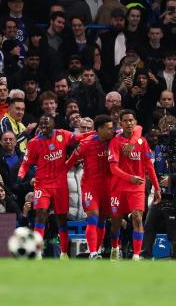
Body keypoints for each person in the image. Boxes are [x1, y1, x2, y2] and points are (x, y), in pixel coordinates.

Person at [17, 115, 93, 259]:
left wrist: (94, 133)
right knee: (40, 215)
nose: (44, 127)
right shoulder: (34, 143)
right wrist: (21, 174)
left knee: (61, 219)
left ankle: (64, 252)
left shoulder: (62, 135)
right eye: (42, 124)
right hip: (42, 185)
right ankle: (37, 251)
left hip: (60, 185)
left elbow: (78, 137)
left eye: (47, 124)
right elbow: (26, 163)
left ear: (54, 125)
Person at [107, 110, 161, 261]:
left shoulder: (142, 141)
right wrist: (131, 178)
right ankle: (114, 247)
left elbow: (149, 166)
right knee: (116, 223)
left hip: (137, 187)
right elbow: (113, 169)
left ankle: (137, 255)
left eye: (131, 120)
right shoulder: (115, 142)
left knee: (137, 218)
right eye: (126, 121)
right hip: (118, 187)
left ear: (135, 122)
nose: (129, 123)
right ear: (121, 123)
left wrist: (157, 187)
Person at [64, 114, 115, 259]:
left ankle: (97, 250)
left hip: (108, 188)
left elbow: (137, 129)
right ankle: (92, 252)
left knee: (102, 220)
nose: (112, 131)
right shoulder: (86, 144)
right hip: (90, 187)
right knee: (93, 217)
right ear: (99, 129)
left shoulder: (115, 140)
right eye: (109, 129)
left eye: (113, 128)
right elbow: (69, 162)